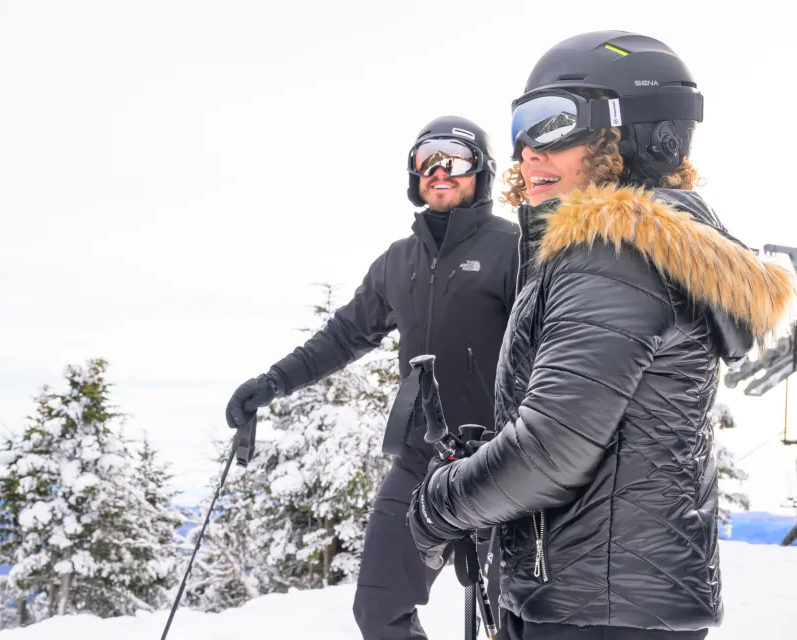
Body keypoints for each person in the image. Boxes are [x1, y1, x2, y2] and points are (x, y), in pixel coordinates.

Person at [406, 30, 797, 640]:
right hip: (615, 601)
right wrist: (493, 460)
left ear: (632, 135)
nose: (527, 151)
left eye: (553, 123)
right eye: (520, 128)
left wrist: (439, 506)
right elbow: (605, 433)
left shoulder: (613, 256)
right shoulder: (650, 256)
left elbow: (550, 453)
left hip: (594, 611)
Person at [225, 115, 520, 639]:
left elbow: (552, 345)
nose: (440, 171)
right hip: (422, 460)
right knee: (379, 612)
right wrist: (272, 383)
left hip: (502, 463)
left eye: (455, 159)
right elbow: (344, 335)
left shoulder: (514, 249)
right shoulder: (397, 262)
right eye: (427, 160)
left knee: (515, 622)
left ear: (482, 172)